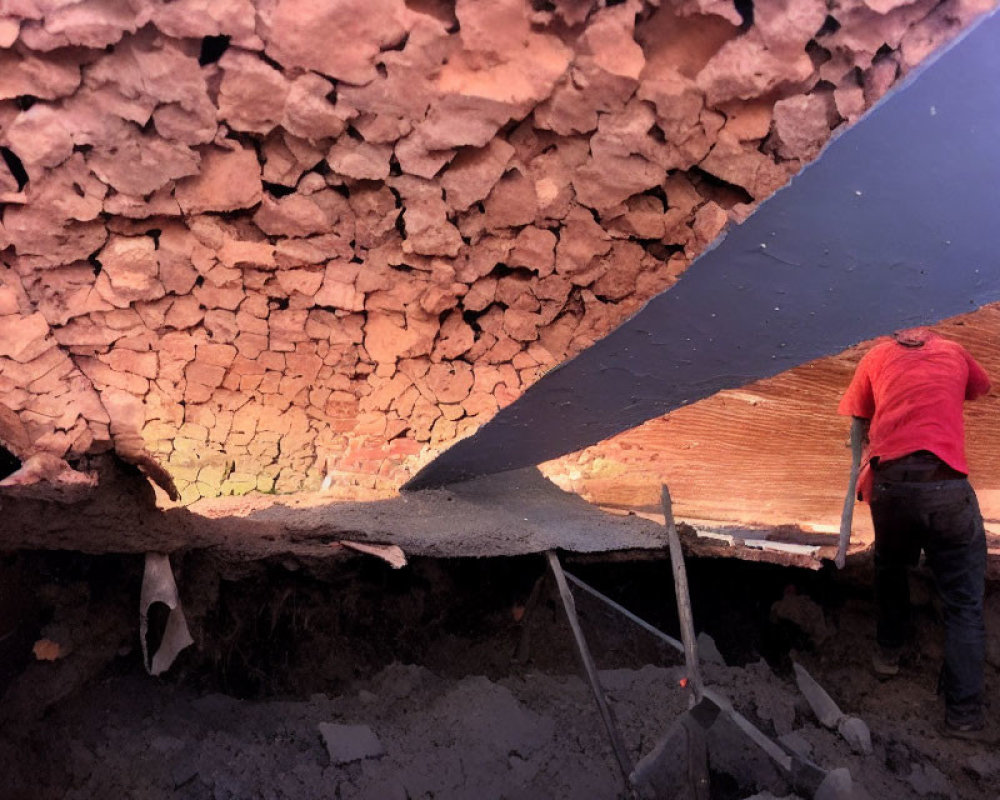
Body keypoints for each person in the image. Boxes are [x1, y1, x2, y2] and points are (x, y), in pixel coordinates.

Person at [838, 327, 991, 738]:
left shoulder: (876, 355)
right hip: (946, 484)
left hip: (890, 485)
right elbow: (981, 387)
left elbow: (858, 413)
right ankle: (964, 716)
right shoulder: (954, 351)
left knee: (890, 566)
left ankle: (888, 654)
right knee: (963, 602)